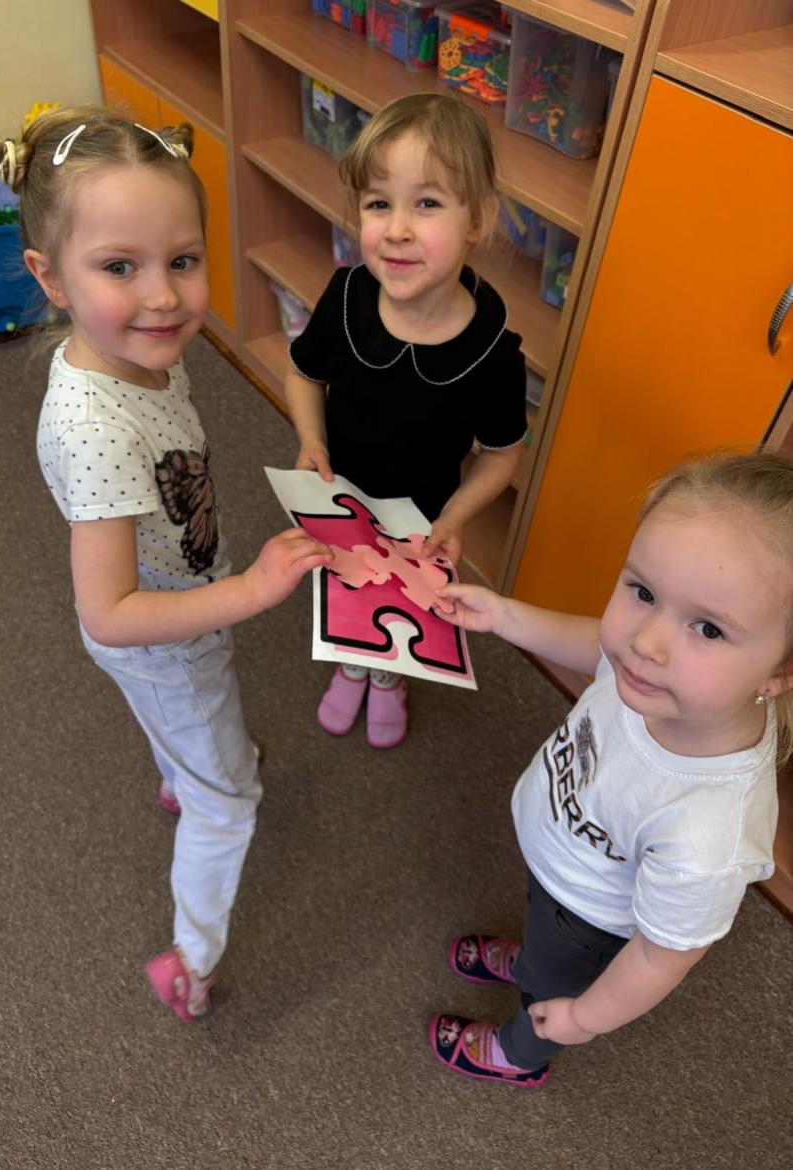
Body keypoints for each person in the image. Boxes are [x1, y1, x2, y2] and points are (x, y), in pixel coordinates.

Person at [0, 108, 331, 1023]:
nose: (164, 296)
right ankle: (189, 958)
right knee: (229, 801)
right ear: (50, 277)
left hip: (175, 619)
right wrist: (249, 591)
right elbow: (110, 613)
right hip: (164, 641)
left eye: (183, 259)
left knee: (187, 728)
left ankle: (180, 769)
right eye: (120, 267)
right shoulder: (93, 427)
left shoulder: (140, 355)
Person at [427, 450, 793, 1086]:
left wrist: (584, 1018)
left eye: (708, 629)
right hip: (561, 874)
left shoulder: (710, 833)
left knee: (550, 994)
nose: (645, 642)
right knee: (544, 944)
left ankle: (518, 1055)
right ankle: (534, 961)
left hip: (589, 921)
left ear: (779, 673)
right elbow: (594, 646)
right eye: (644, 592)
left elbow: (660, 956)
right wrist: (506, 616)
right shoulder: (655, 678)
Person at [285, 92, 527, 749]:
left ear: (478, 220)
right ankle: (351, 662)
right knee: (346, 589)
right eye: (377, 203)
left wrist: (456, 517)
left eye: (427, 203)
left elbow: (502, 453)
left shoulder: (493, 352)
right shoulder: (346, 297)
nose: (395, 229)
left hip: (422, 523)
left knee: (402, 603)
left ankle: (388, 676)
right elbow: (304, 374)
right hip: (340, 500)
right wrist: (310, 439)